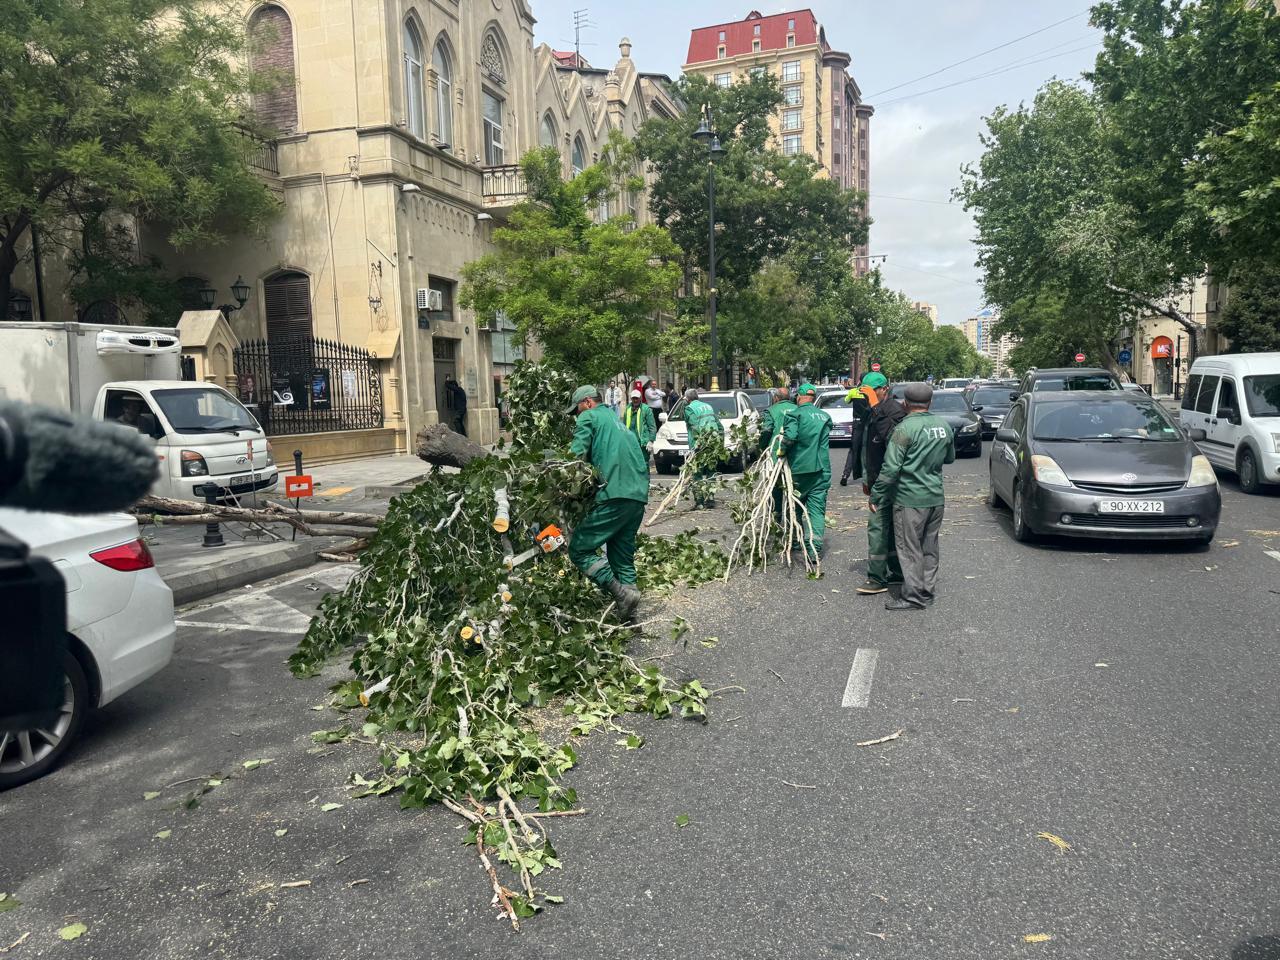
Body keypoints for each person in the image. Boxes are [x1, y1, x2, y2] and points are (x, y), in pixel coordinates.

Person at [869, 383, 955, 610]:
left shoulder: (904, 429)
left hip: (909, 499)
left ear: (905, 404)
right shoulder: (943, 426)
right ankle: (926, 590)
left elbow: (890, 469)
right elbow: (949, 458)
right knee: (929, 546)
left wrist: (876, 495)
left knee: (909, 548)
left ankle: (913, 596)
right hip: (936, 497)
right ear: (930, 402)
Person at [566, 385, 648, 619]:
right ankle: (630, 616)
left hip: (615, 496)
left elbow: (574, 459)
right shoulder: (617, 420)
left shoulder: (589, 417)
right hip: (637, 497)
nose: (576, 416)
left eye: (577, 411)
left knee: (579, 549)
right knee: (621, 555)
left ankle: (620, 594)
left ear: (588, 403)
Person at [856, 375, 908, 594]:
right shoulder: (870, 410)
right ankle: (896, 572)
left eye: (871, 391)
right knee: (887, 528)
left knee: (878, 528)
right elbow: (865, 447)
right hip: (876, 478)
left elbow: (891, 439)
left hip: (890, 481)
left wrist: (876, 406)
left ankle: (877, 578)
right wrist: (865, 478)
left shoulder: (894, 411)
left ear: (884, 389)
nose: (867, 396)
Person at [778, 383, 832, 559]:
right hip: (821, 471)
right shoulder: (824, 417)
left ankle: (795, 542)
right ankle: (814, 551)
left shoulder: (795, 415)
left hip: (799, 471)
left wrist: (782, 450)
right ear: (813, 397)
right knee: (816, 510)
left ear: (799, 397)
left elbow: (790, 437)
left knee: (795, 506)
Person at [682, 387, 723, 508]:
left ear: (688, 399)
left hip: (699, 444)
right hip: (713, 442)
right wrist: (720, 443)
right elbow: (719, 425)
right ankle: (710, 499)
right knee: (711, 471)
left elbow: (694, 426)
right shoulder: (708, 406)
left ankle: (699, 501)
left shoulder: (689, 408)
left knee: (697, 472)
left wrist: (697, 444)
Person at [839, 372, 881, 487]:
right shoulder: (872, 393)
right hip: (870, 423)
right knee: (871, 449)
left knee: (853, 449)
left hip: (857, 423)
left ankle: (845, 475)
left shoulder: (853, 391)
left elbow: (846, 401)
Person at [621, 388, 656, 463]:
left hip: (642, 443)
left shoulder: (646, 409)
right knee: (632, 464)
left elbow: (652, 426)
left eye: (637, 398)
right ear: (631, 399)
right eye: (633, 398)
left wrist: (651, 441)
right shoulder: (628, 409)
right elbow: (623, 426)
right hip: (630, 442)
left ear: (640, 398)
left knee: (644, 463)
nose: (635, 400)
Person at [757, 386, 795, 454]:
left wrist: (762, 446)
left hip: (776, 450)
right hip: (796, 451)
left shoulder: (771, 411)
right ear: (789, 397)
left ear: (776, 398)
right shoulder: (798, 409)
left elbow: (767, 430)